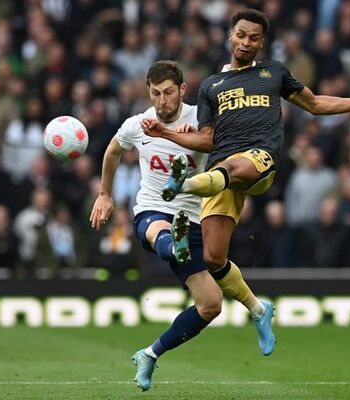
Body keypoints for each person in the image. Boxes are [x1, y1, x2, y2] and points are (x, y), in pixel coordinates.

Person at [141, 8, 350, 327]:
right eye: (241, 35)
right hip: (220, 173)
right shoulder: (210, 85)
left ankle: (184, 184)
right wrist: (165, 132)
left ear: (262, 44)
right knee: (213, 258)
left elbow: (314, 104)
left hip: (260, 160)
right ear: (230, 36)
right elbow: (206, 139)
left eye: (254, 38)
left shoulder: (274, 73)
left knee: (231, 167)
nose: (246, 42)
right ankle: (259, 310)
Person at [91, 60, 274, 392]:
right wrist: (105, 194)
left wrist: (195, 136)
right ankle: (171, 243)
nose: (162, 101)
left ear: (182, 90)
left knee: (210, 305)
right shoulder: (137, 124)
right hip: (152, 209)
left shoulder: (200, 120)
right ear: (148, 92)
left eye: (169, 92)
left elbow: (219, 144)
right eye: (155, 93)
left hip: (192, 218)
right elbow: (114, 151)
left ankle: (149, 353)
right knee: (156, 228)